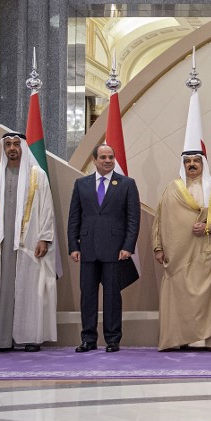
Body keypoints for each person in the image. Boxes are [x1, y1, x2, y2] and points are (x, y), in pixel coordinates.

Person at [0, 132, 58, 352]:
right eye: (8, 145)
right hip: (0, 244)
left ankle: (28, 337)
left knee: (29, 287)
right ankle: (0, 338)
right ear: (3, 148)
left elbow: (47, 209)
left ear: (23, 147)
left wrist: (44, 237)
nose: (12, 148)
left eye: (16, 144)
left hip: (28, 243)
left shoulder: (37, 175)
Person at [153, 150, 211, 351]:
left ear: (203, 164)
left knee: (208, 297)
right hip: (178, 255)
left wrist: (209, 226)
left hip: (208, 253)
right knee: (181, 297)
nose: (192, 164)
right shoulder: (171, 189)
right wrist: (158, 246)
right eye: (188, 161)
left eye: (196, 161)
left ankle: (209, 340)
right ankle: (180, 338)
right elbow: (159, 219)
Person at [67, 144, 141, 353]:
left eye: (111, 157)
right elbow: (74, 218)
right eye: (103, 157)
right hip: (88, 249)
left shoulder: (127, 184)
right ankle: (88, 339)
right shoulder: (81, 184)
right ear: (94, 160)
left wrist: (128, 246)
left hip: (115, 250)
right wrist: (73, 245)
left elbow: (133, 219)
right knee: (88, 296)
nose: (108, 160)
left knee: (112, 297)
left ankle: (112, 339)